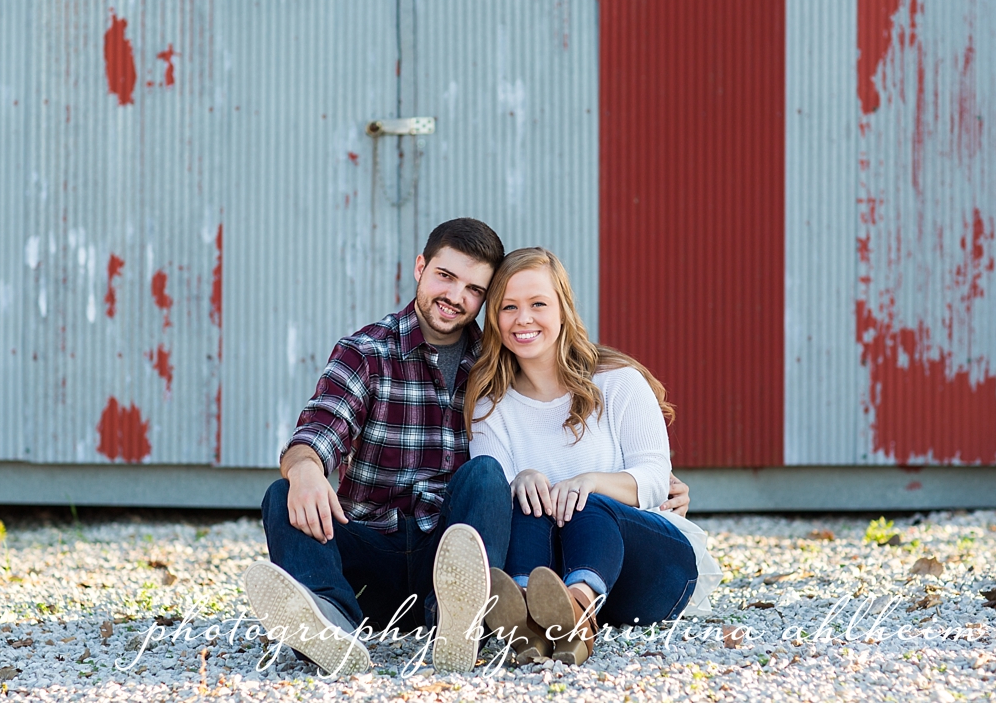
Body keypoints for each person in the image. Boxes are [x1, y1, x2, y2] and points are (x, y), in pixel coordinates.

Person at [237, 219, 512, 677]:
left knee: (485, 475)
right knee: (281, 495)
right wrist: (304, 471)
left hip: (447, 563)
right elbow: (319, 429)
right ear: (420, 267)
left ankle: (459, 626)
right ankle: (330, 622)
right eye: (446, 276)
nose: (455, 296)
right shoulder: (366, 351)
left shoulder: (495, 364)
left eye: (473, 288)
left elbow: (558, 413)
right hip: (366, 556)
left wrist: (645, 476)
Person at [466, 247, 720, 664]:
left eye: (538, 304)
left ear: (563, 309)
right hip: (558, 567)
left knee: (588, 503)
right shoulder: (491, 406)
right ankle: (530, 615)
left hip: (649, 570)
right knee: (527, 500)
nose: (523, 318)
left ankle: (577, 608)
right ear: (494, 318)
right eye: (508, 307)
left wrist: (591, 480)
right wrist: (520, 481)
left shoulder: (618, 382)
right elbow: (493, 498)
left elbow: (657, 478)